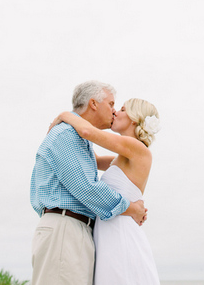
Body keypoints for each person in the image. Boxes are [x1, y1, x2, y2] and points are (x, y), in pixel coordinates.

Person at [30, 81, 147, 285]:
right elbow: (87, 189)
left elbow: (102, 162)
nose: (113, 111)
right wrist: (131, 208)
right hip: (65, 229)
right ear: (93, 103)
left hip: (77, 229)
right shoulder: (66, 134)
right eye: (111, 104)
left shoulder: (79, 139)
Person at [50, 97, 162, 285]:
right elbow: (90, 157)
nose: (115, 112)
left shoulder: (137, 148)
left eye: (123, 109)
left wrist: (65, 115)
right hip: (108, 232)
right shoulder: (121, 156)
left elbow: (86, 131)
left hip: (120, 233)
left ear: (134, 119)